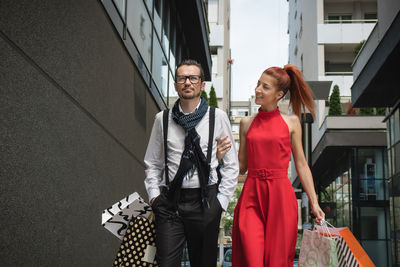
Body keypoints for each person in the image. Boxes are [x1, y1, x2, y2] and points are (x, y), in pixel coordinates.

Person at [144, 59, 239, 267]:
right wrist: (154, 198)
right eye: (182, 78)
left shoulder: (217, 117)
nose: (188, 82)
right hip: (170, 203)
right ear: (176, 84)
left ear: (202, 84)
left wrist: (220, 203)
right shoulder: (162, 119)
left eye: (193, 77)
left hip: (206, 202)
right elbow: (153, 163)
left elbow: (232, 166)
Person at [232, 65, 325, 267]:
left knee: (277, 261)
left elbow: (301, 164)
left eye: (265, 87)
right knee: (251, 259)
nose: (258, 89)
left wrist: (314, 202)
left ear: (279, 94)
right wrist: (221, 158)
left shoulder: (292, 122)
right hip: (251, 196)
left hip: (281, 197)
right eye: (258, 84)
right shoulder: (246, 123)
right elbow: (241, 166)